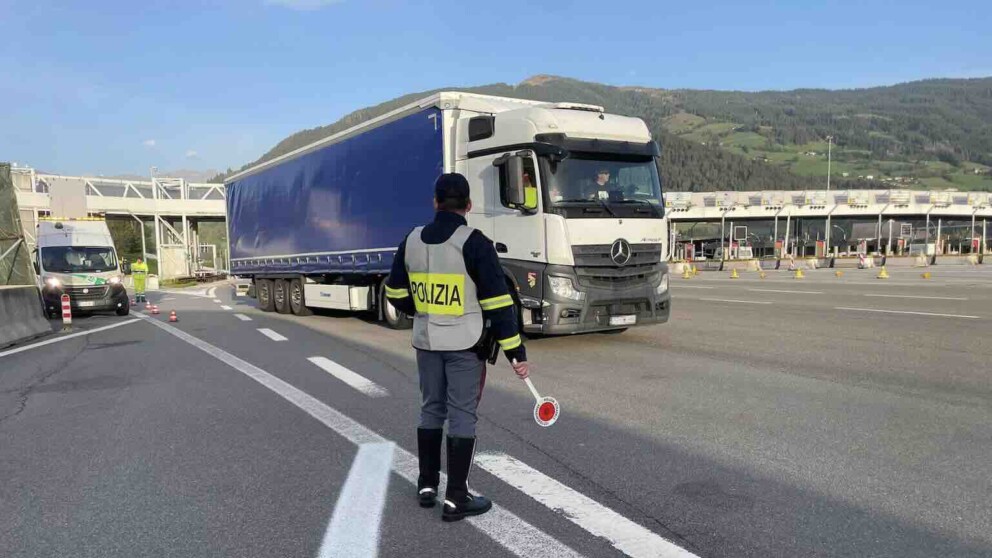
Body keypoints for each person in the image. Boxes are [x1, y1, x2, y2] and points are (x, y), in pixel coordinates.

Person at [386, 173, 530, 522]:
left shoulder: (412, 240)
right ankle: (456, 498)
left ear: (435, 202)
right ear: (468, 206)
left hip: (426, 341)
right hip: (465, 343)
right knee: (462, 415)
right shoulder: (474, 242)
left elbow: (394, 293)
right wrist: (516, 354)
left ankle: (426, 484)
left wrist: (423, 312)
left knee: (430, 409)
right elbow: (499, 305)